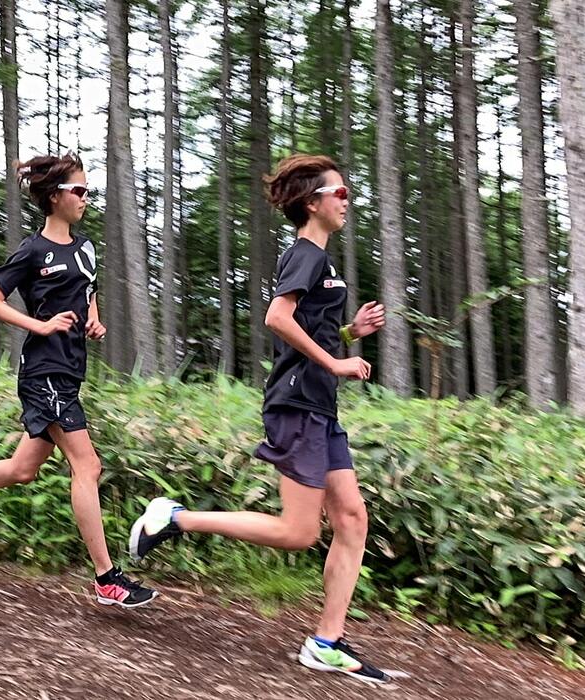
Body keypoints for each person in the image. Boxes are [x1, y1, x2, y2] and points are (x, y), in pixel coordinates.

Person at [129, 154, 391, 683]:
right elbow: (277, 317)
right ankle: (173, 519)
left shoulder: (321, 260)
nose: (348, 201)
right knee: (298, 532)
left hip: (318, 404)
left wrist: (348, 335)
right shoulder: (306, 255)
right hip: (297, 406)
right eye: (339, 194)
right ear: (313, 203)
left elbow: (306, 334)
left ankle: (327, 641)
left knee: (352, 520)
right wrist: (337, 362)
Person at [0, 152, 157, 608]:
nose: (85, 198)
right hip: (43, 371)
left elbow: (87, 289)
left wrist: (93, 321)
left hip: (70, 369)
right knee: (88, 466)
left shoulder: (84, 248)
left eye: (87, 191)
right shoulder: (31, 250)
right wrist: (39, 325)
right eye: (79, 191)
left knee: (23, 470)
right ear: (54, 196)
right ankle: (107, 578)